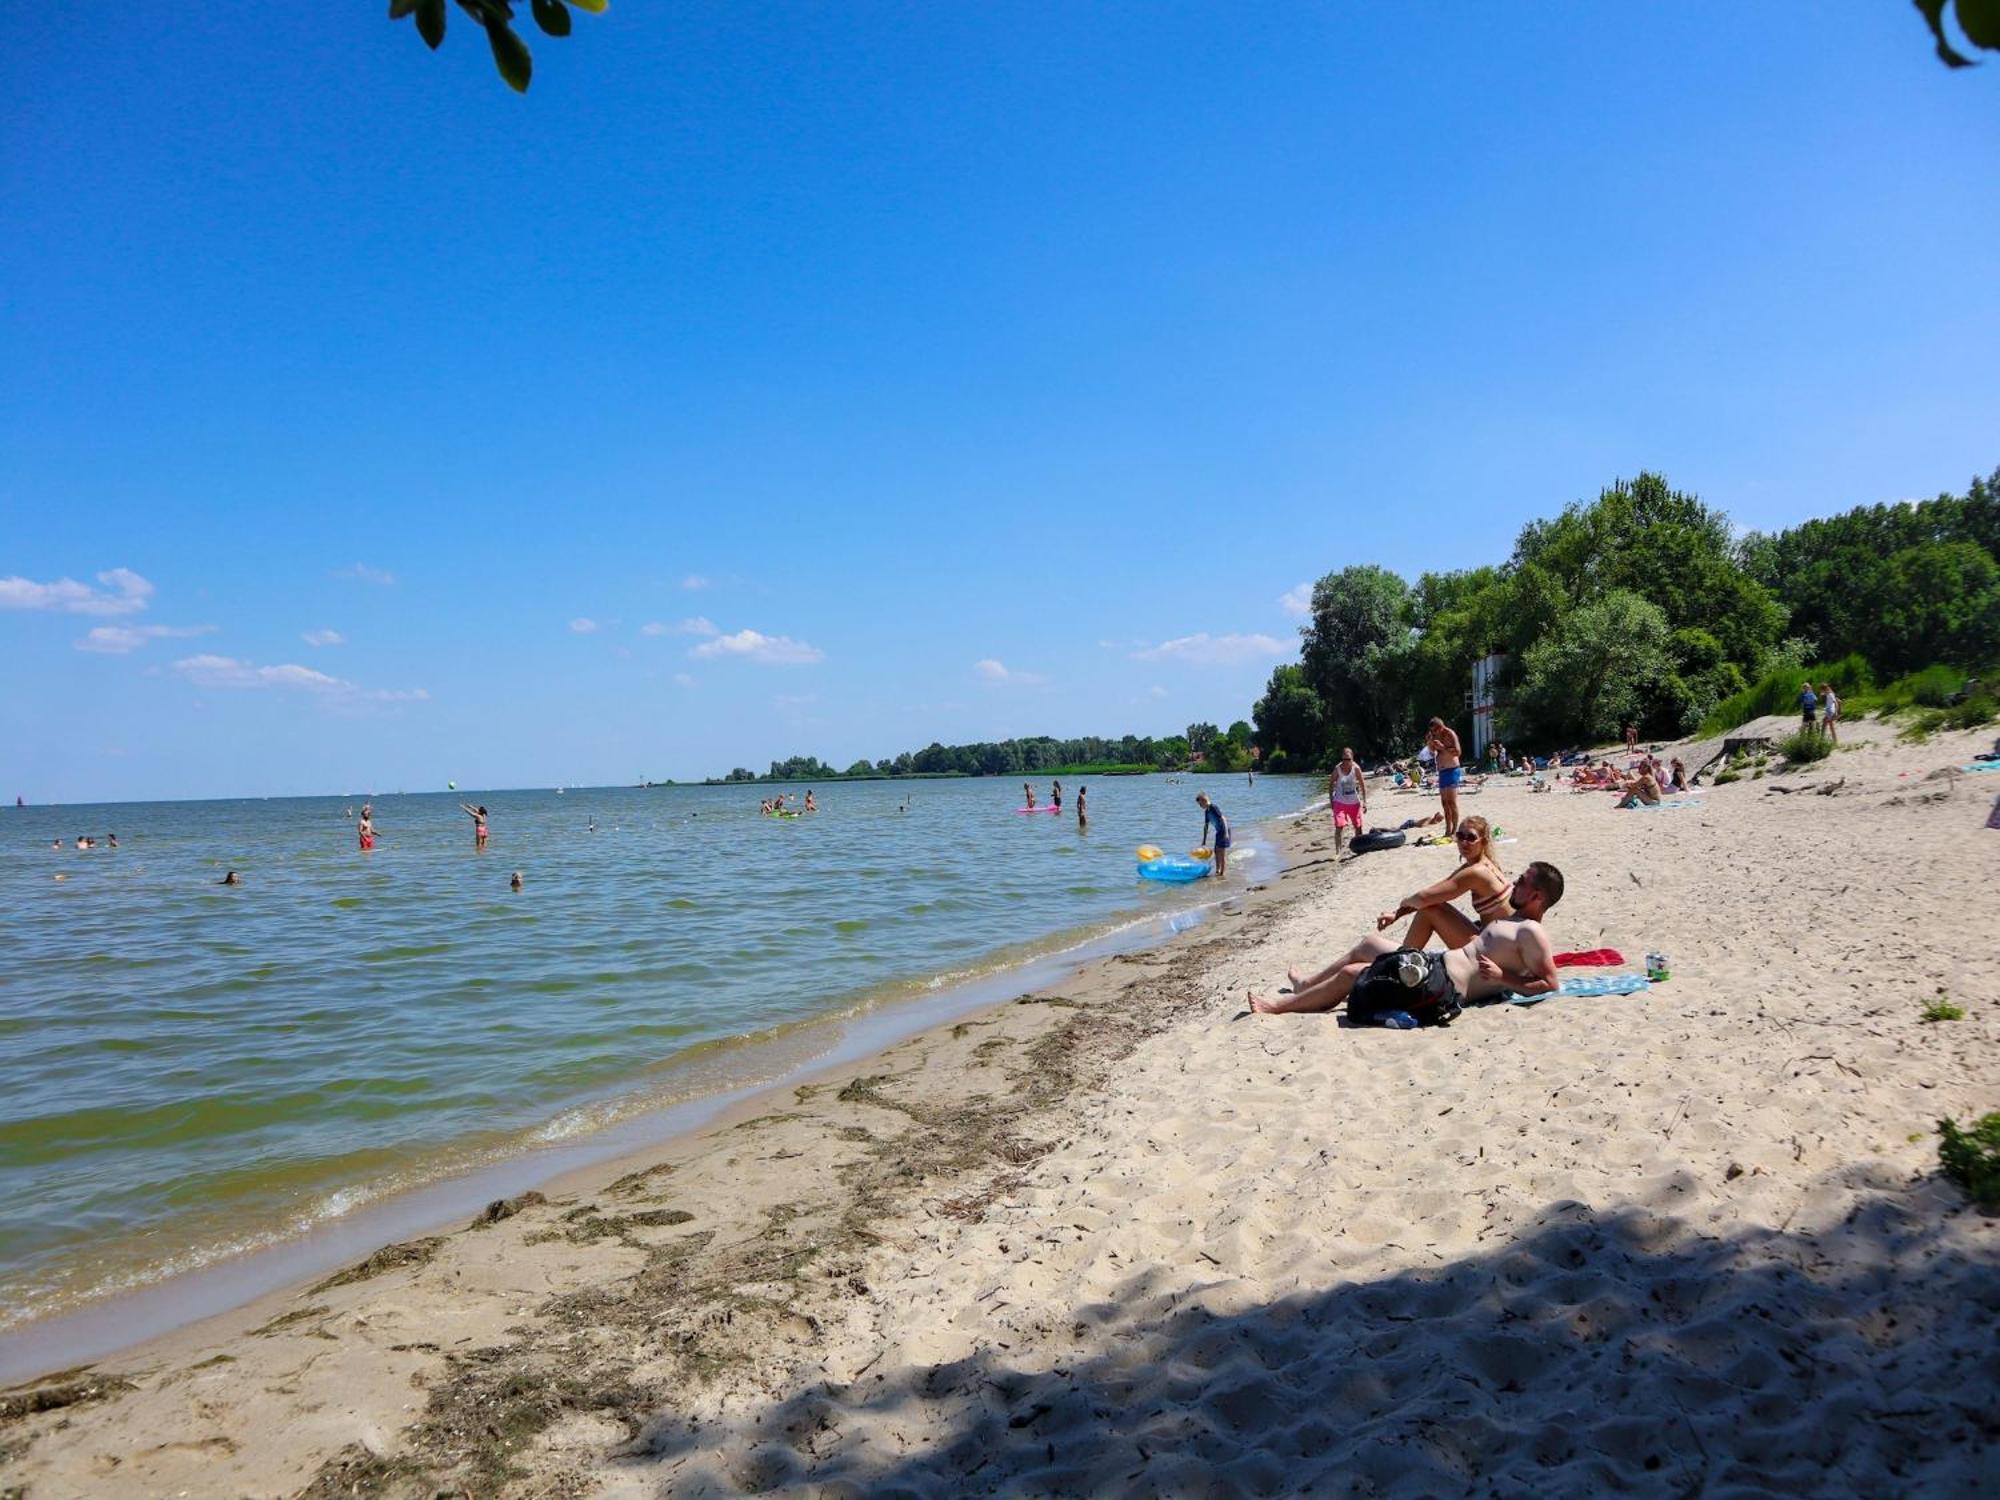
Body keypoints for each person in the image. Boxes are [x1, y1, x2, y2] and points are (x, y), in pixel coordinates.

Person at [1250, 862, 1564, 1015]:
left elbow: (1550, 983)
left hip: (1443, 987)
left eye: (1521, 882)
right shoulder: (1516, 920)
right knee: (1368, 944)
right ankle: (1307, 987)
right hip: (1436, 964)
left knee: (1350, 975)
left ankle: (1279, 1008)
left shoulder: (1531, 931)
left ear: (1536, 895)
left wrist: (1503, 977)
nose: (1514, 882)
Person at [1427, 717, 1464, 836]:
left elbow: (1458, 752)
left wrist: (1442, 747)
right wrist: (1430, 743)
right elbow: (1432, 752)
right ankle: (1448, 829)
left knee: (1452, 802)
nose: (1434, 733)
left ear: (1441, 728)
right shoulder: (1434, 736)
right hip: (1442, 772)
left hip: (1452, 769)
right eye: (1432, 731)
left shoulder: (1450, 734)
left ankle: (1454, 830)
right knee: (1444, 803)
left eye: (1435, 731)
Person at [1327, 747, 1368, 854]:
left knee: (1358, 827)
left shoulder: (1356, 769)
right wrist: (1331, 801)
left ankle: (1359, 847)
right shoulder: (1338, 769)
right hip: (1339, 802)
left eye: (1348, 759)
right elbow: (1331, 784)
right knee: (1339, 826)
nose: (1346, 762)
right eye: (1344, 759)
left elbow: (1363, 785)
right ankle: (1338, 852)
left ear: (1352, 759)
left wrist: (1365, 802)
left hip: (1354, 802)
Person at [1195, 792, 1231, 877]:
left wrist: (1226, 833)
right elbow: (1206, 826)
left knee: (1221, 853)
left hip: (1223, 830)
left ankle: (1222, 873)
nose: (1200, 806)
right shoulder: (1206, 812)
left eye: (1200, 804)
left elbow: (1223, 818)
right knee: (1216, 852)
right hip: (1218, 832)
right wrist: (1204, 840)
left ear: (1204, 800)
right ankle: (1217, 870)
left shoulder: (1213, 807)